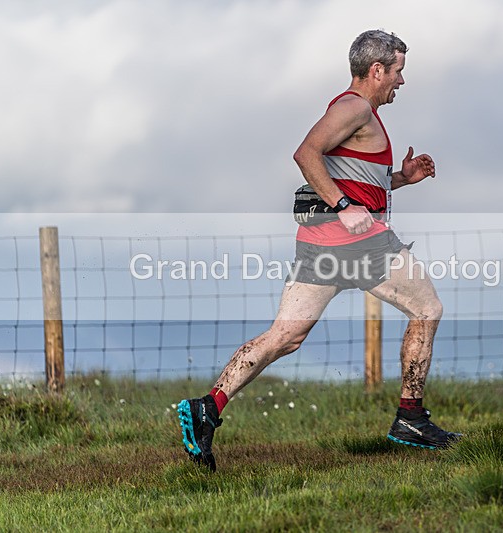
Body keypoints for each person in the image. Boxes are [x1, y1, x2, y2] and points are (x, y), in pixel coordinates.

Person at [177, 29, 460, 472]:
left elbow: (352, 177)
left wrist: (401, 178)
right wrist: (344, 206)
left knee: (284, 336)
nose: (401, 82)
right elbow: (306, 153)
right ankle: (411, 418)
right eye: (399, 72)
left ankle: (207, 407)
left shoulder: (357, 113)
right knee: (427, 308)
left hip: (321, 244)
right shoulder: (354, 107)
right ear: (377, 70)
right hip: (356, 242)